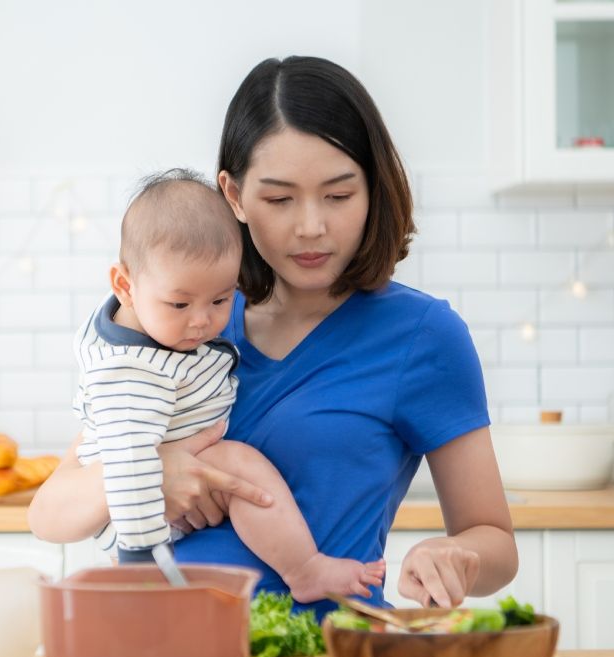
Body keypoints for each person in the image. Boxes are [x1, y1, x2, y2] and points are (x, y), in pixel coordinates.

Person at [29, 55, 518, 618]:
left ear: (373, 189)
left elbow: (495, 542)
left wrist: (453, 554)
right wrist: (154, 472)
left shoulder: (422, 336)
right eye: (280, 199)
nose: (311, 226)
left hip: (321, 653)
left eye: (338, 195)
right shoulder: (188, 321)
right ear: (234, 195)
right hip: (154, 646)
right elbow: (50, 514)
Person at [74, 168, 385, 602]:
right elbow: (127, 465)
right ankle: (306, 570)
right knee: (239, 465)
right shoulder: (129, 372)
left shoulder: (154, 324)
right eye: (179, 304)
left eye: (221, 299)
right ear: (125, 286)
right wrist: (141, 559)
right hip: (137, 511)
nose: (202, 321)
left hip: (161, 501)